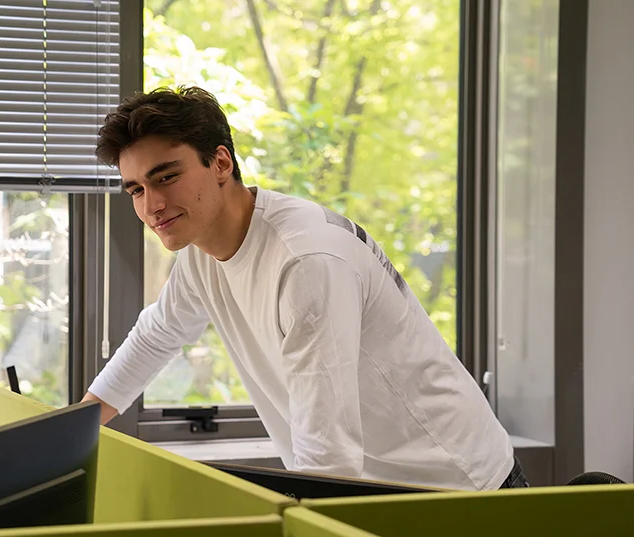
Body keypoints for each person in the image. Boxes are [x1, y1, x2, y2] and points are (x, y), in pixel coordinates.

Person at [81, 85, 527, 491]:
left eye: (166, 177)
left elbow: (327, 459)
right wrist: (71, 434)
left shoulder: (306, 263)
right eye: (135, 190)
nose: (152, 205)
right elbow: (155, 337)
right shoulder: (201, 252)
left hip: (455, 487)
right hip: (379, 488)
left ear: (220, 163)